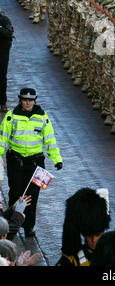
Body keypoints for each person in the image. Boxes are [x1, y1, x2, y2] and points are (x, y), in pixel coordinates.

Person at [0, 88, 63, 237]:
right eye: (25, 99)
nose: (28, 102)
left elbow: (50, 140)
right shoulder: (11, 117)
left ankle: (29, 226)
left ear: (35, 100)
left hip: (36, 163)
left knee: (32, 197)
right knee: (15, 194)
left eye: (31, 100)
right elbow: (2, 140)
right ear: (20, 100)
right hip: (16, 161)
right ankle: (12, 226)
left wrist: (57, 159)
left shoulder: (42, 117)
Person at [56, 187, 110, 266]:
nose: (94, 240)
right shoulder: (71, 260)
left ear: (104, 230)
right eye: (89, 235)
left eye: (97, 234)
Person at [0, 10, 14, 113]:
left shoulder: (4, 20)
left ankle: (3, 102)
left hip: (2, 55)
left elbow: (8, 33)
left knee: (1, 79)